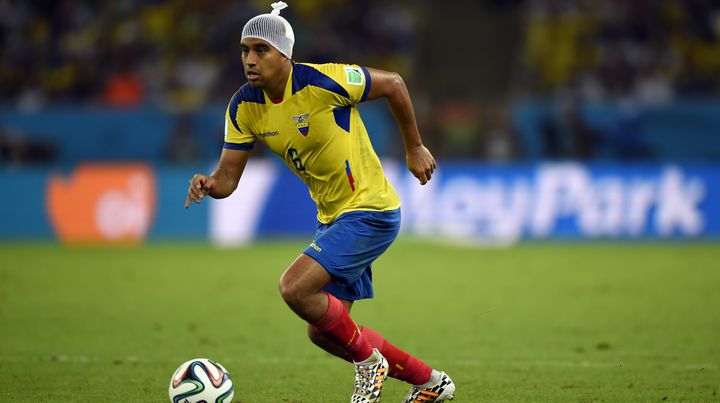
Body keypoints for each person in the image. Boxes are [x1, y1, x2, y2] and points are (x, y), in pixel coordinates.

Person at [184, 3, 455, 402]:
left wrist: (414, 147)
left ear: (285, 55)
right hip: (332, 219)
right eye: (245, 50)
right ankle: (431, 382)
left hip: (371, 209)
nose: (250, 60)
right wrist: (210, 183)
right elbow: (228, 179)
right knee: (325, 331)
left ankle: (369, 365)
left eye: (261, 50)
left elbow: (395, 83)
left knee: (294, 288)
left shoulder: (323, 81)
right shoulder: (244, 106)